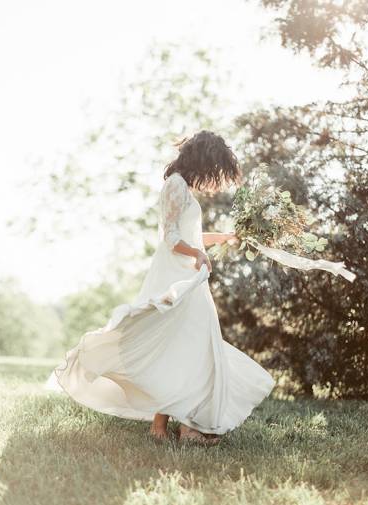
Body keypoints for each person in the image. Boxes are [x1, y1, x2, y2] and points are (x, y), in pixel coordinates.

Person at [46, 130, 276, 446]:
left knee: (184, 346)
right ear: (202, 160)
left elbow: (189, 235)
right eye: (214, 168)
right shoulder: (175, 185)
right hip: (176, 278)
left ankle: (165, 426)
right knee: (183, 344)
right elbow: (170, 238)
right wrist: (197, 254)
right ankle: (181, 426)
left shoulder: (183, 188)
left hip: (190, 278)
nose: (213, 178)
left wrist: (223, 237)